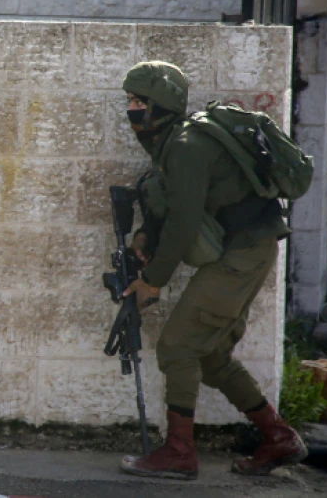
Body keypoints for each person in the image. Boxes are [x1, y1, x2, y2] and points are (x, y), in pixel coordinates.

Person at [117, 61, 307, 480]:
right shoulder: (174, 145)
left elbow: (185, 224)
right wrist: (147, 237)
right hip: (246, 252)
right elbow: (176, 208)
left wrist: (152, 282)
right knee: (214, 357)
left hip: (240, 256)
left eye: (137, 102)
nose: (130, 110)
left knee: (178, 347)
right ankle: (278, 437)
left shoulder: (186, 146)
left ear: (160, 105)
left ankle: (179, 452)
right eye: (129, 101)